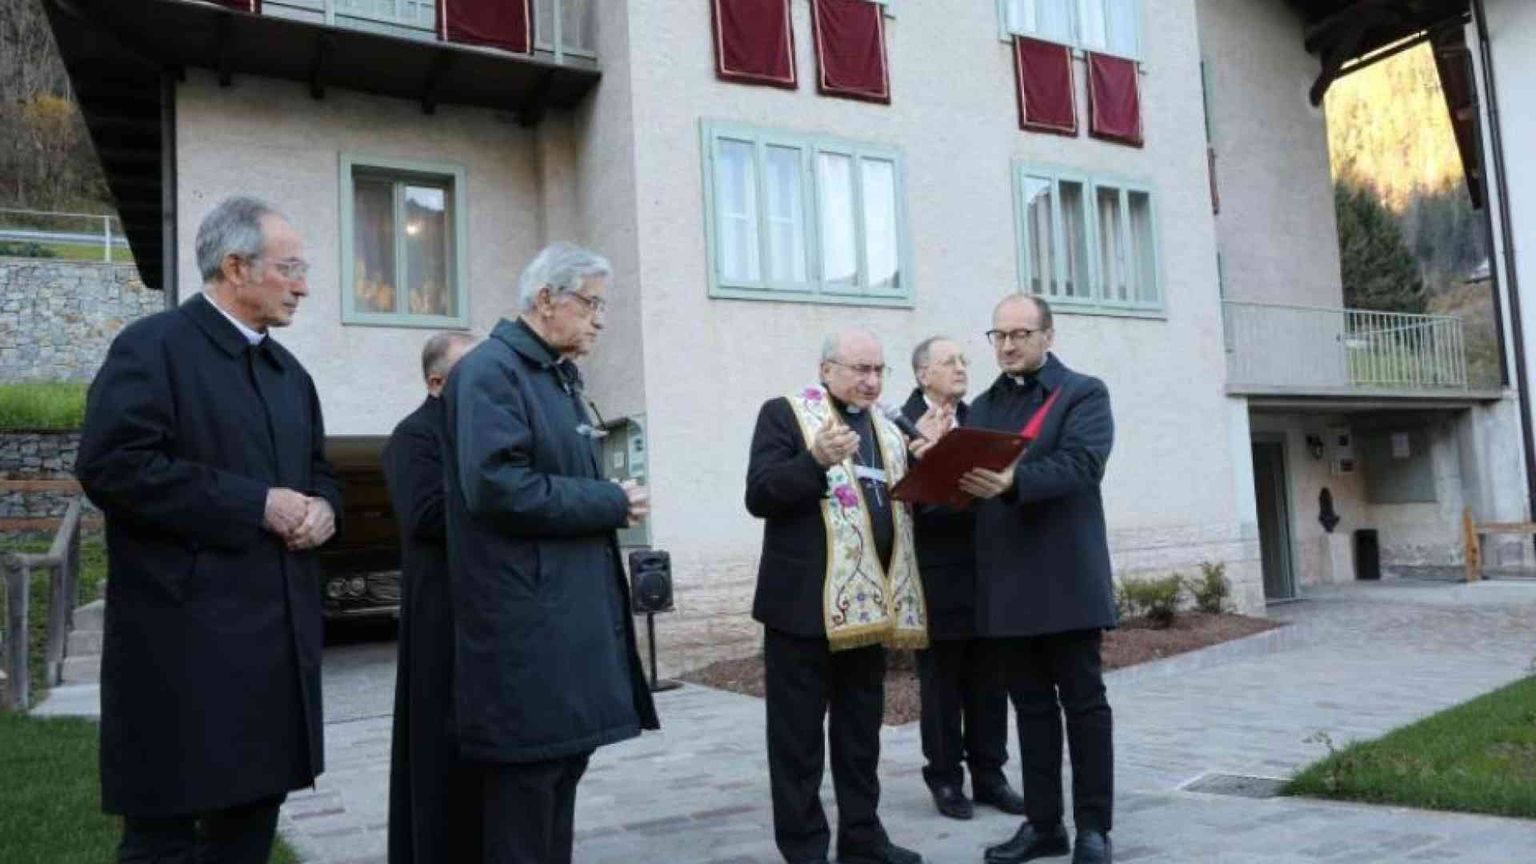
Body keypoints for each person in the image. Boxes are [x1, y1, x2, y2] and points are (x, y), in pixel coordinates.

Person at [77, 196, 340, 864]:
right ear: (235, 266)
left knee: (247, 838)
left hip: (273, 663)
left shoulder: (291, 377)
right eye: (291, 267)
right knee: (163, 844)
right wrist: (257, 505)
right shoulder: (153, 348)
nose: (304, 284)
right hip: (181, 662)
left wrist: (324, 511)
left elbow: (319, 474)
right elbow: (112, 467)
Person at [442, 242, 659, 864]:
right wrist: (608, 502)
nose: (599, 318)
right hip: (524, 632)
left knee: (558, 777)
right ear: (545, 299)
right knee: (526, 793)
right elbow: (496, 484)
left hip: (561, 626)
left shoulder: (555, 377)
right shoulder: (490, 372)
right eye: (590, 302)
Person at [745, 328, 928, 864]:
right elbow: (759, 495)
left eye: (878, 370)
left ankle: (863, 839)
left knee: (858, 738)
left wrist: (937, 458)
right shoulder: (784, 415)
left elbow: (914, 505)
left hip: (866, 610)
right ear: (827, 370)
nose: (871, 381)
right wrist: (814, 460)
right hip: (800, 612)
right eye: (859, 369)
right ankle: (804, 849)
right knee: (797, 743)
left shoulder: (890, 429)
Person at [958, 295, 1117, 864]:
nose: (1007, 345)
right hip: (1007, 583)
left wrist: (1012, 482)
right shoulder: (979, 407)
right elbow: (962, 486)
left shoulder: (1083, 393)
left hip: (1068, 579)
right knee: (1030, 709)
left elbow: (1082, 464)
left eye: (1020, 334)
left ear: (1048, 335)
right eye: (998, 335)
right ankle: (1044, 825)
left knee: (1085, 705)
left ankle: (1094, 828)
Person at [900, 337, 1025, 822]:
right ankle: (946, 779)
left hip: (987, 568)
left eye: (963, 361)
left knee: (990, 680)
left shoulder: (979, 418)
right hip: (934, 571)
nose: (961, 368)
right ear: (922, 374)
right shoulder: (899, 424)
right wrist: (924, 458)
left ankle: (990, 775)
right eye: (949, 361)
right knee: (942, 683)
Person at [384, 330, 480, 864]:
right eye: (473, 370)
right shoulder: (413, 437)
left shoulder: (480, 431)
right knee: (438, 766)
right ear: (438, 382)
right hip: (439, 623)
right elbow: (425, 516)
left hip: (485, 618)